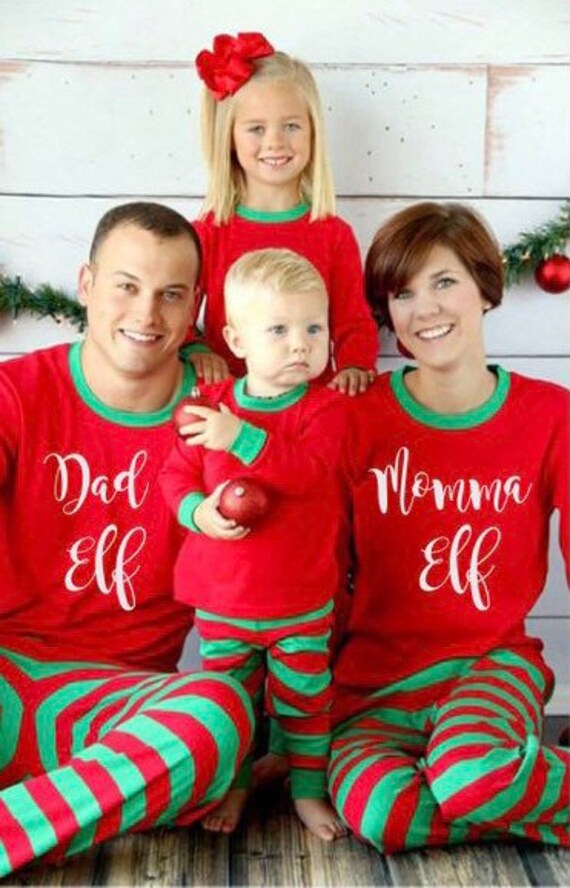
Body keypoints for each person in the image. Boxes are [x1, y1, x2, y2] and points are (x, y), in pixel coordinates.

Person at [0, 202, 255, 877]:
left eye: (171, 294)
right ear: (86, 284)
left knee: (221, 714)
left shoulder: (225, 428)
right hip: (4, 675)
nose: (147, 315)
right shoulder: (18, 394)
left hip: (117, 713)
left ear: (197, 305)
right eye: (126, 286)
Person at [329, 201, 570, 851]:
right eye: (402, 293)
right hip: (371, 693)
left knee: (468, 772)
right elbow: (309, 575)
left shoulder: (551, 416)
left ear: (484, 289)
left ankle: (487, 783)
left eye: (444, 282)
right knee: (383, 814)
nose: (425, 310)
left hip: (490, 668)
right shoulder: (354, 420)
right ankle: (505, 794)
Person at [160, 248, 349, 841]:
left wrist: (240, 437)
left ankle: (308, 790)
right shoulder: (209, 409)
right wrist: (198, 511)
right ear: (237, 341)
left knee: (304, 700)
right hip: (224, 604)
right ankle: (234, 784)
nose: (300, 344)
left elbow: (309, 473)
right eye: (280, 329)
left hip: (300, 601)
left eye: (313, 328)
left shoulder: (326, 412)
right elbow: (174, 476)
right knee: (230, 702)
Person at [185, 31, 378, 395]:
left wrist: (355, 365)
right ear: (229, 138)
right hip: (228, 411)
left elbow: (353, 322)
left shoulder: (333, 234)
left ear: (312, 132)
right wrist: (195, 349)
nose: (275, 142)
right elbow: (178, 315)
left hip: (309, 414)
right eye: (256, 129)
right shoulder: (208, 233)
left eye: (291, 126)